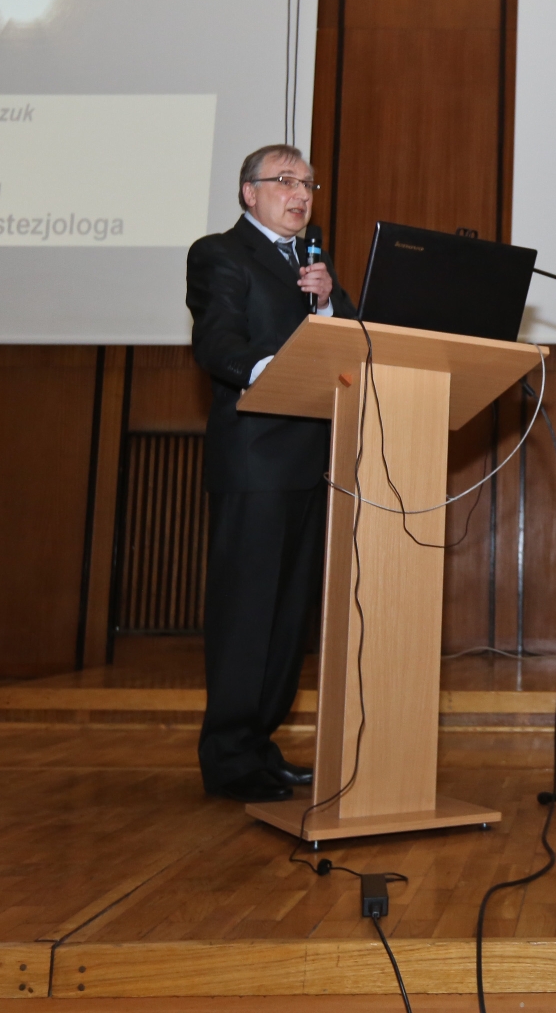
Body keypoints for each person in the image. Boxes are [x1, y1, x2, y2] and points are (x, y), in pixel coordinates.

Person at [186, 143, 355, 803]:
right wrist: (275, 369)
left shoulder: (314, 264)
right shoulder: (220, 254)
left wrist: (328, 305)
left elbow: (353, 340)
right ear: (248, 192)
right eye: (285, 181)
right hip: (255, 460)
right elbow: (217, 344)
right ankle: (229, 757)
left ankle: (258, 744)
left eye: (308, 183)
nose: (301, 193)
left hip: (311, 461)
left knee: (287, 620)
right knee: (247, 613)